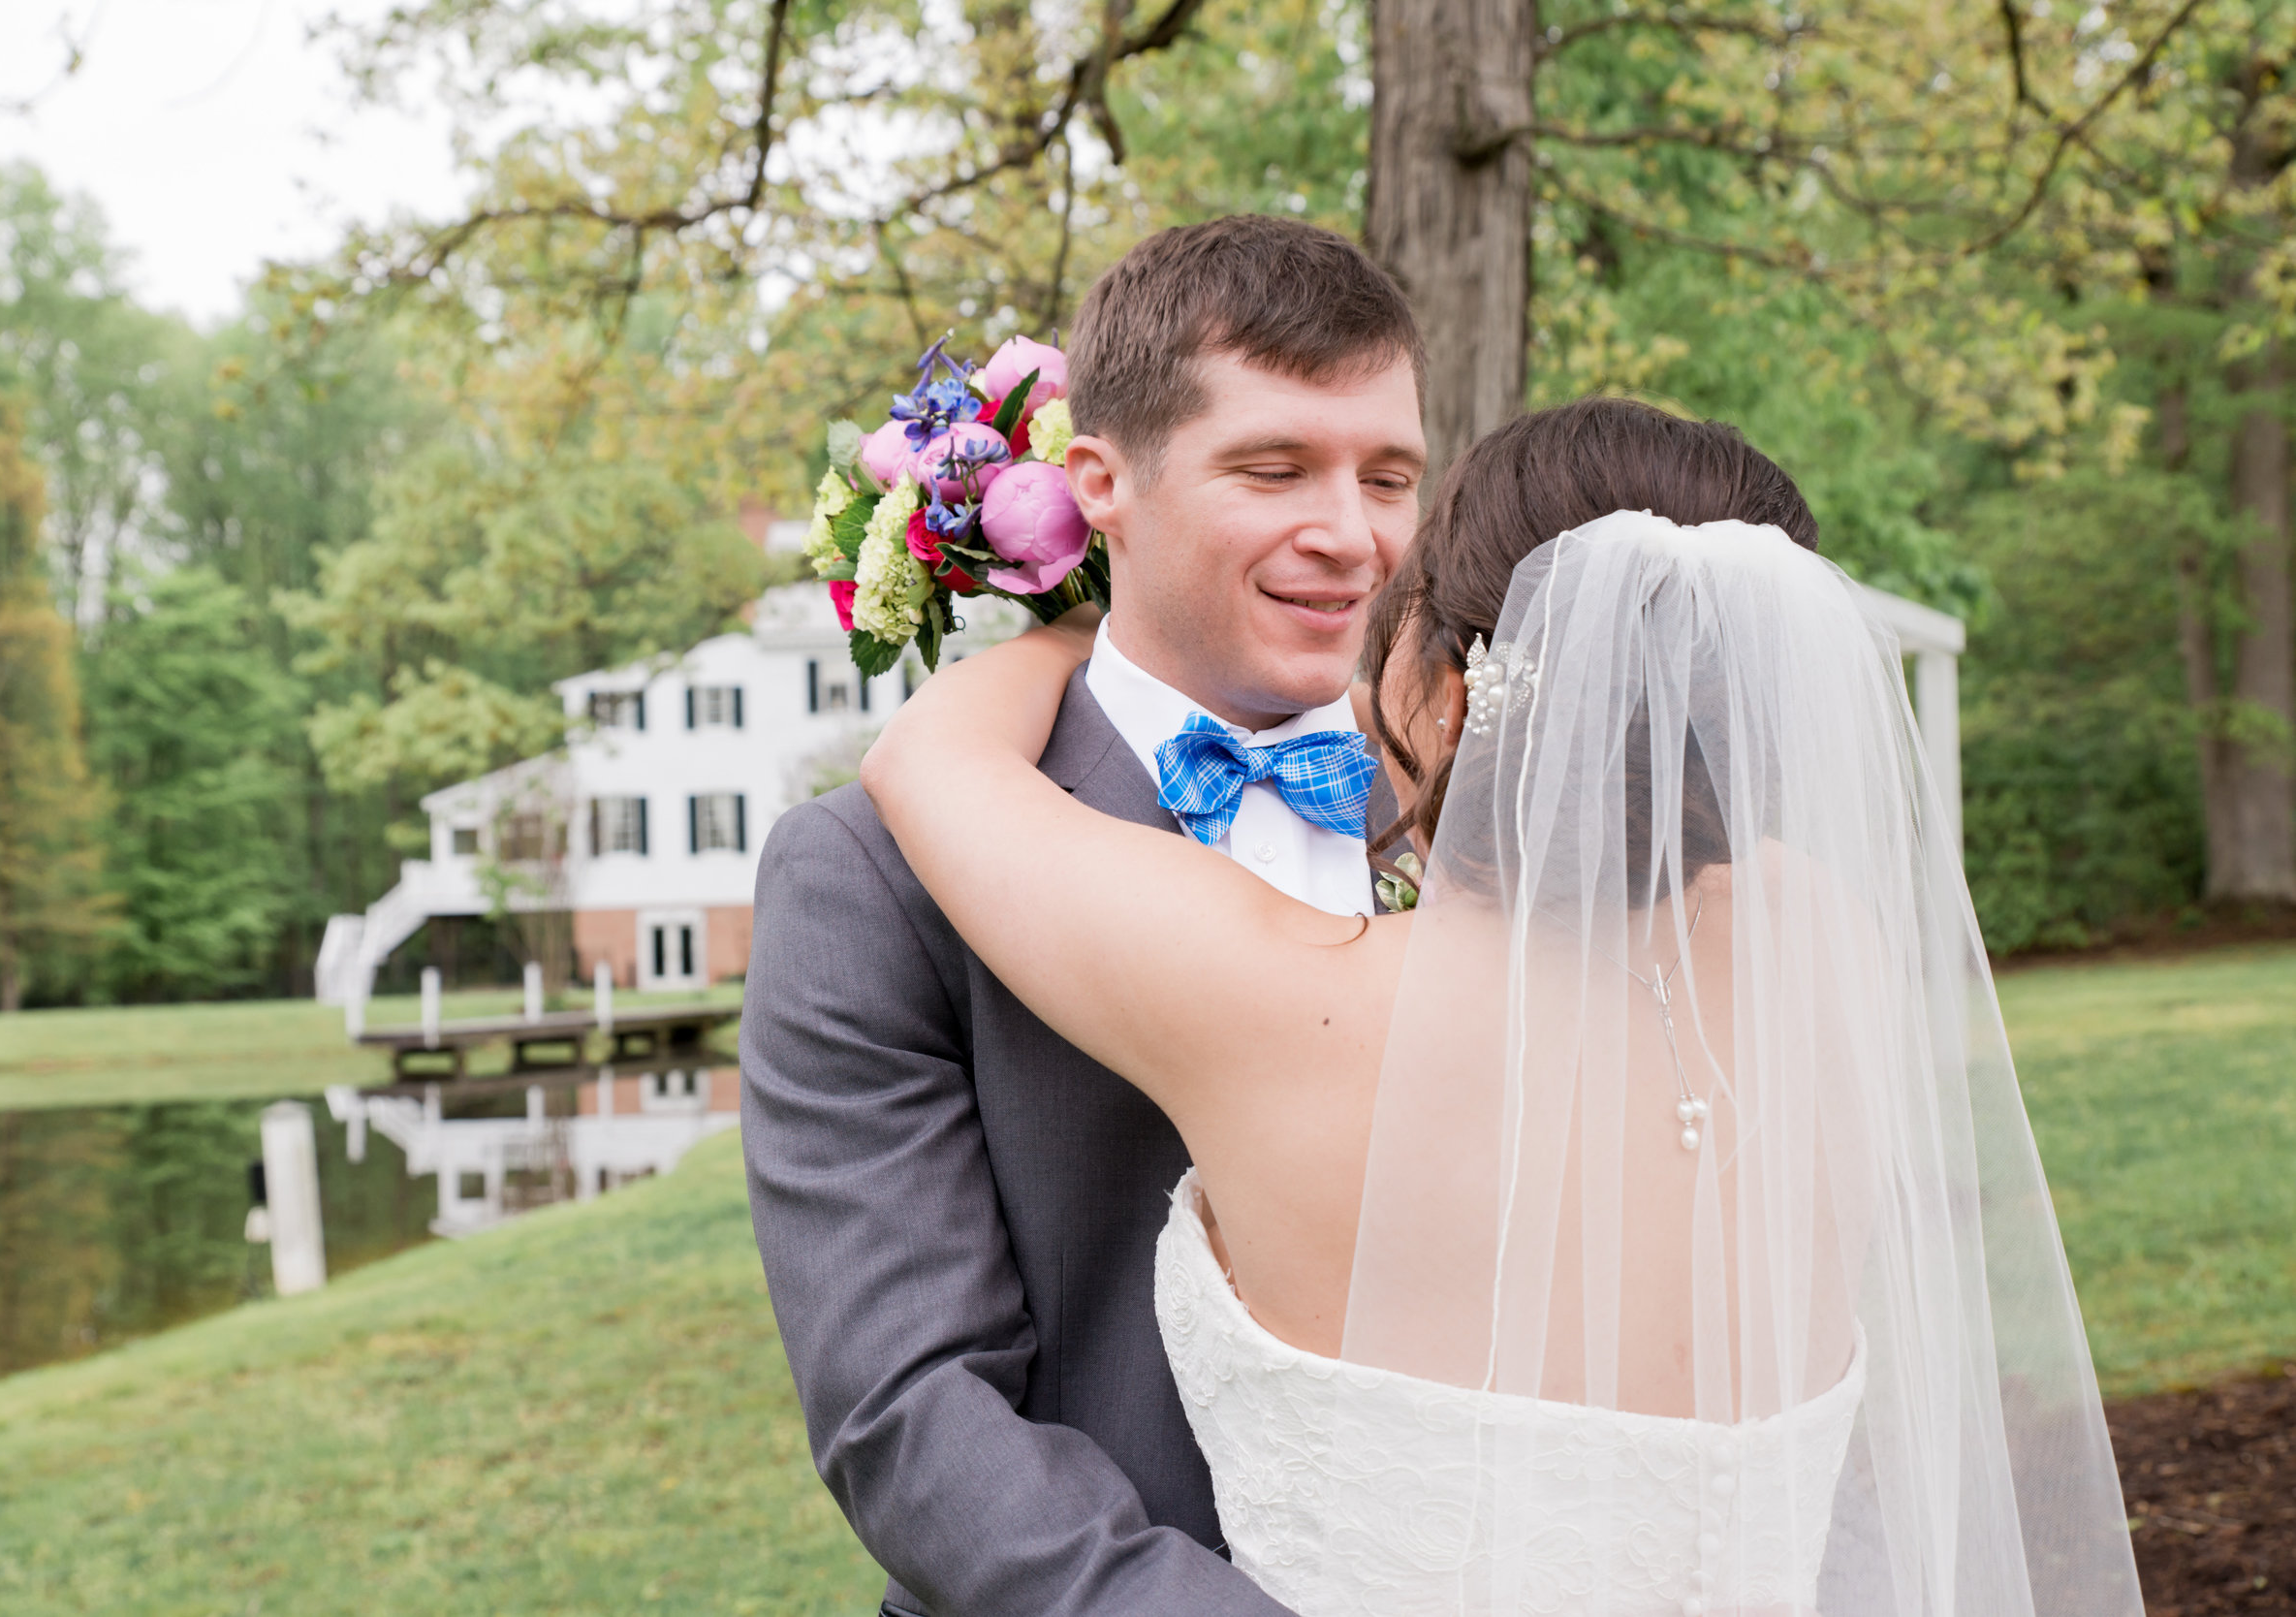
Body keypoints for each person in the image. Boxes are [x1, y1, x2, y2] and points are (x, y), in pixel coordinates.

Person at [860, 396, 2146, 1616]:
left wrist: (1086, 615)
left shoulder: (1284, 1005)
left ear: (1457, 687)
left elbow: (926, 761)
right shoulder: (1830, 942)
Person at [739, 214, 1426, 1617]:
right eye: (1275, 467)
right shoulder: (872, 874)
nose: (1352, 536)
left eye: (1390, 475)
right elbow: (912, 1414)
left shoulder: (1470, 809)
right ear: (1101, 484)